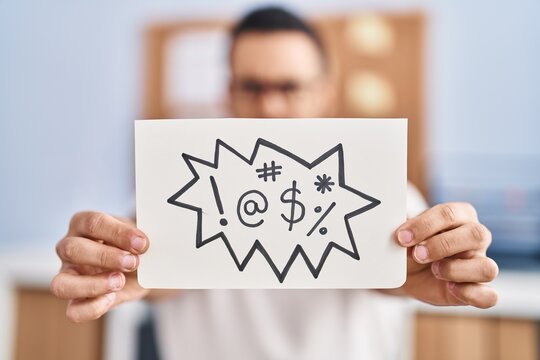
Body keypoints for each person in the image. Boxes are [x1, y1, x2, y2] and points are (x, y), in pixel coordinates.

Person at [51, 6, 499, 359]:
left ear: (325, 92)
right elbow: (155, 262)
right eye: (252, 86)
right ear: (228, 92)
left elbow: (394, 269)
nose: (270, 107)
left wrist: (430, 262)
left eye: (289, 87)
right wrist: (118, 266)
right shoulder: (175, 184)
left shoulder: (385, 188)